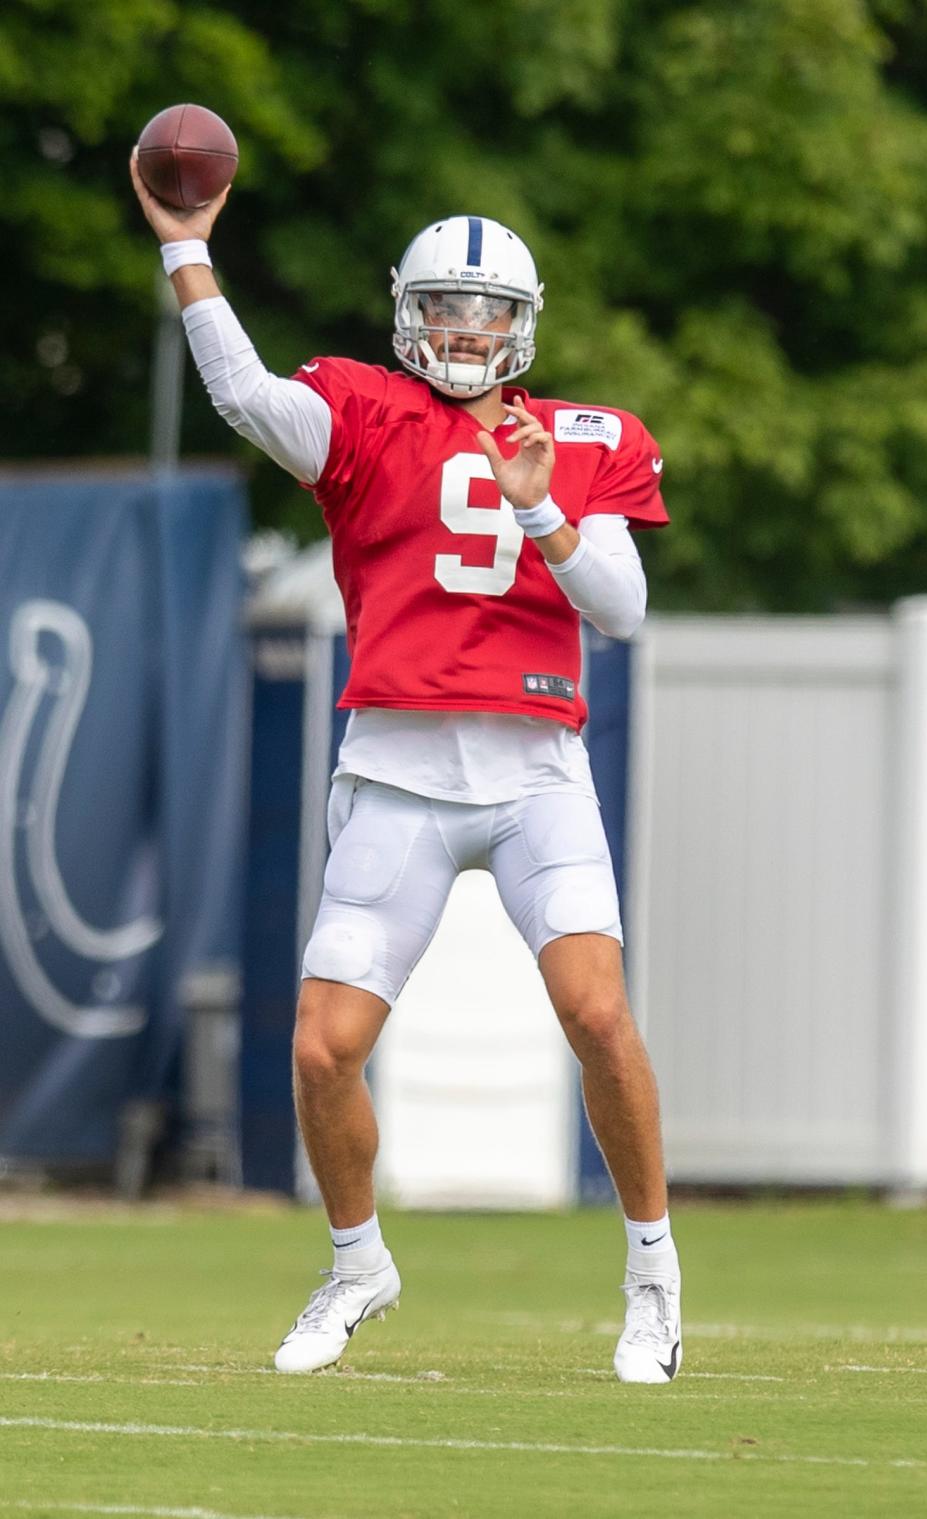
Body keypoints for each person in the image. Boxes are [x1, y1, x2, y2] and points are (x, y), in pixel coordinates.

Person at [131, 153, 682, 1385]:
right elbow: (241, 396)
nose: (466, 330)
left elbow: (624, 611)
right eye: (444, 308)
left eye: (487, 313)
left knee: (596, 1012)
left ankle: (652, 1273)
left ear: (524, 326)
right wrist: (185, 247)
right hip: (394, 762)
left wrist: (540, 509)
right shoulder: (362, 411)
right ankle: (356, 1262)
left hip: (537, 766)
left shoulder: (587, 439)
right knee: (324, 1046)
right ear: (407, 315)